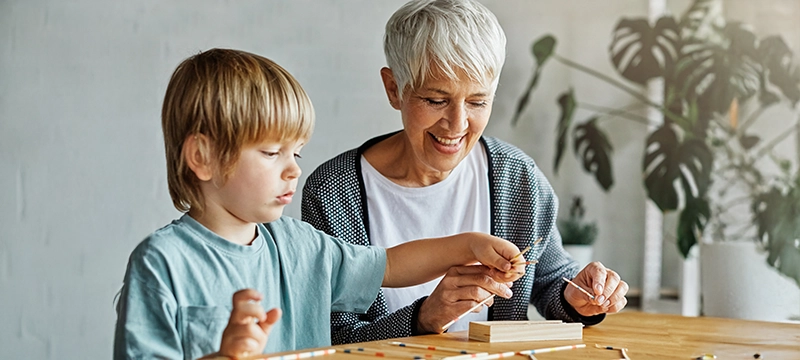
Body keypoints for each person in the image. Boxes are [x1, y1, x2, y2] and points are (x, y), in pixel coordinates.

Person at [113, 48, 527, 360]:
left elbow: (390, 265)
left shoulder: (299, 244)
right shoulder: (161, 263)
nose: (293, 170)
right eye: (272, 152)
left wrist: (469, 245)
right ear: (202, 157)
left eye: (298, 153)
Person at [301, 0, 629, 344]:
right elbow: (333, 336)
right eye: (435, 100)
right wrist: (425, 316)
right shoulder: (335, 191)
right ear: (394, 88)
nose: (457, 124)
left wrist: (577, 294)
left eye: (477, 101)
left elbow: (549, 280)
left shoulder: (516, 177)